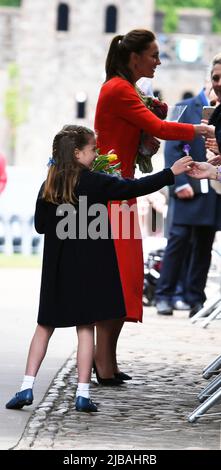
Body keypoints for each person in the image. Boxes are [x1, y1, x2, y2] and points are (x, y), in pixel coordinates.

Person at [5, 125, 193, 413]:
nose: (96, 154)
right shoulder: (95, 182)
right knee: (85, 328)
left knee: (44, 327)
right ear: (78, 153)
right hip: (89, 269)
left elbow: (41, 226)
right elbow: (134, 187)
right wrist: (171, 172)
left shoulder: (49, 185)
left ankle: (26, 386)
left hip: (57, 270)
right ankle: (82, 393)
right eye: (93, 149)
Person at [94, 28, 213, 382]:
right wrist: (202, 131)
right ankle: (103, 364)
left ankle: (108, 362)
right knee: (117, 279)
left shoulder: (124, 88)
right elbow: (158, 127)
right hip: (112, 194)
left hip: (121, 191)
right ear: (135, 58)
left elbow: (153, 121)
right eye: (154, 55)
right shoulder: (118, 89)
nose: (159, 62)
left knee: (125, 280)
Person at [155, 75, 221, 318]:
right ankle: (164, 295)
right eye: (215, 79)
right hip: (188, 186)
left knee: (204, 245)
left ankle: (195, 297)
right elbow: (171, 147)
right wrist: (179, 182)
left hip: (213, 185)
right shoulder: (186, 108)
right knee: (178, 242)